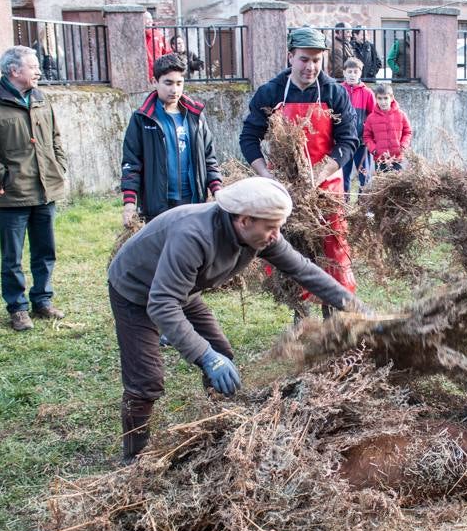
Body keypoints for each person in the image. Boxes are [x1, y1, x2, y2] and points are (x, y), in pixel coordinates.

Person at [107, 177, 369, 461]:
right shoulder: (194, 236)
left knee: (222, 353)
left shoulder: (258, 235)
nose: (276, 235)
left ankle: (214, 423)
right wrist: (206, 357)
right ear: (244, 220)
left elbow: (304, 270)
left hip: (180, 289)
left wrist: (355, 307)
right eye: (271, 228)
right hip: (135, 290)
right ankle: (134, 458)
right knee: (146, 381)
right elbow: (162, 304)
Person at [239, 27, 359, 316]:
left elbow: (348, 141)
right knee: (291, 247)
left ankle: (332, 311)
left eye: (317, 60)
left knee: (331, 248)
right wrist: (267, 176)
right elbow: (248, 138)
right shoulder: (270, 93)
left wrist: (317, 174)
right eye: (305, 59)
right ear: (290, 56)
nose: (311, 67)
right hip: (285, 188)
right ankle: (299, 312)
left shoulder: (334, 93)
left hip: (326, 186)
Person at [0, 46, 68, 331]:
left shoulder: (41, 98)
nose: (38, 70)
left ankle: (43, 299)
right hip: (12, 194)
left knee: (45, 250)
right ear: (14, 70)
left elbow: (55, 137)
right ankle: (17, 307)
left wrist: (60, 164)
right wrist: (2, 174)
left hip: (46, 189)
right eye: (32, 66)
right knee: (12, 256)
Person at [120, 53, 222, 226]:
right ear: (154, 81)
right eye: (168, 83)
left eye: (179, 83)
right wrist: (129, 203)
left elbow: (209, 159)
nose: (174, 90)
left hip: (193, 203)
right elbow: (131, 164)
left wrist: (218, 191)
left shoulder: (196, 117)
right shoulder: (142, 119)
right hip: (158, 207)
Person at [339, 57, 376, 200]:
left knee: (364, 175)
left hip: (361, 143)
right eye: (349, 71)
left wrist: (369, 135)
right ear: (344, 73)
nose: (352, 75)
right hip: (344, 142)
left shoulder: (367, 93)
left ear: (360, 73)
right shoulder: (339, 90)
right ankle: (344, 204)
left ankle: (363, 206)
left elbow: (374, 116)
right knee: (344, 175)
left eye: (355, 71)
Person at [363, 83, 412, 172]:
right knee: (382, 185)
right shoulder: (371, 118)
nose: (383, 102)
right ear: (376, 99)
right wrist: (374, 150)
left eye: (386, 98)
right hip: (380, 160)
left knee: (398, 185)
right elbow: (367, 136)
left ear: (392, 98)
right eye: (380, 98)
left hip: (397, 159)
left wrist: (403, 146)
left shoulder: (401, 115)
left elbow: (407, 132)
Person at [143, 11, 170, 81]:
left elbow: (168, 53)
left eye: (150, 19)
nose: (148, 21)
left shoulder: (158, 35)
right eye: (145, 19)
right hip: (143, 76)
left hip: (158, 74)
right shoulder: (136, 35)